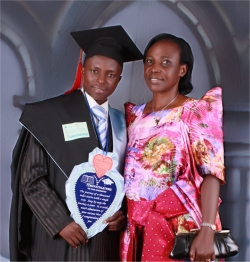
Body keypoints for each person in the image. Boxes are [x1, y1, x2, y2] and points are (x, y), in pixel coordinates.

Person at [9, 25, 143, 261]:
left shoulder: (123, 123)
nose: (101, 80)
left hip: (103, 244)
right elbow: (31, 178)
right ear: (82, 70)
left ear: (119, 79)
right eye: (94, 71)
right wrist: (59, 223)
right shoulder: (49, 115)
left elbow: (126, 181)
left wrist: (120, 213)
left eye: (111, 74)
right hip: (58, 241)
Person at [121, 33, 225, 262]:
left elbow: (211, 174)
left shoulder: (196, 112)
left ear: (182, 70)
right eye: (150, 61)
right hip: (137, 228)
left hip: (180, 228)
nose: (155, 68)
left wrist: (207, 229)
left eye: (165, 62)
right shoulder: (134, 116)